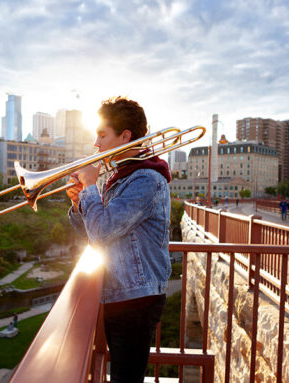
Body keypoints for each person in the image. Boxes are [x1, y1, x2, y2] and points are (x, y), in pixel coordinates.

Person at [67, 97, 171, 383]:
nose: (96, 144)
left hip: (137, 299)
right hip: (122, 294)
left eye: (102, 135)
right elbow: (90, 232)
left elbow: (101, 233)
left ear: (125, 137)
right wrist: (79, 203)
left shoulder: (146, 179)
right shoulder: (122, 177)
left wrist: (90, 187)